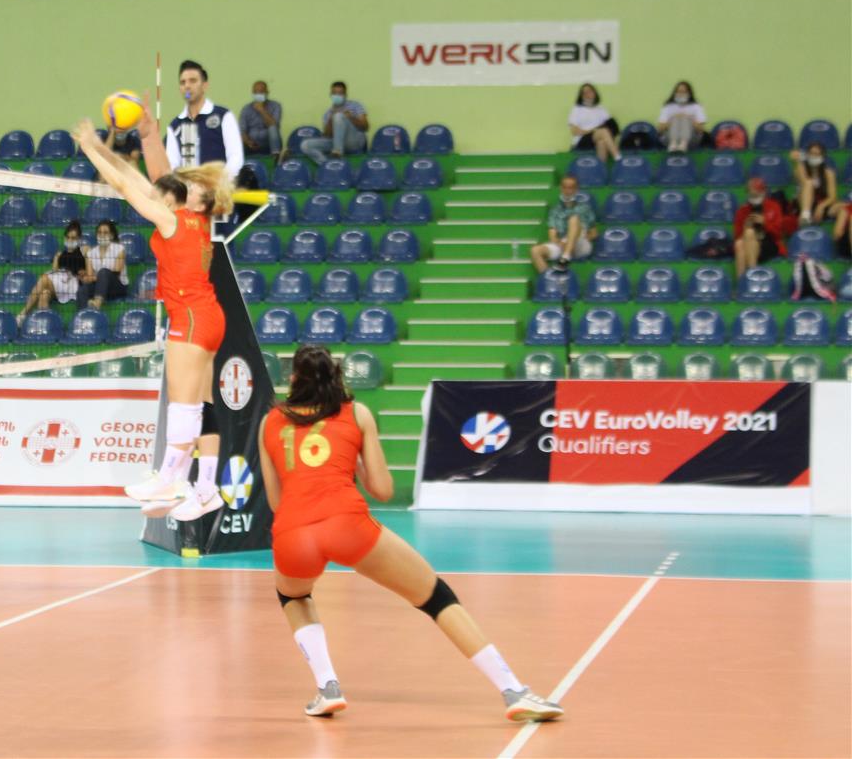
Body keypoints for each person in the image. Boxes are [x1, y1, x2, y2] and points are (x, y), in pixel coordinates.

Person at [259, 345, 564, 721]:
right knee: (436, 597)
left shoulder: (270, 421)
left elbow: (276, 501)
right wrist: (353, 460)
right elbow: (383, 490)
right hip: (346, 524)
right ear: (335, 376)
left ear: (292, 380)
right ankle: (513, 691)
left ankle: (327, 687)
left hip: (293, 532)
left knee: (293, 595)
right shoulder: (357, 413)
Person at [75, 103, 234, 522]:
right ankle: (203, 489)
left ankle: (171, 478)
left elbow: (125, 186)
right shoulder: (195, 222)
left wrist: (90, 149)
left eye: (191, 186)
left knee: (183, 405)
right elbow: (141, 179)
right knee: (201, 404)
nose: (183, 185)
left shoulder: (175, 220)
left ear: (198, 199)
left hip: (192, 318)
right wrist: (112, 144)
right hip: (208, 314)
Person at [164, 59, 244, 177]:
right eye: (182, 82)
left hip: (219, 186)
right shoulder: (174, 126)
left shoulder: (224, 116)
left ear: (205, 86)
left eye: (193, 81)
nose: (187, 86)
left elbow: (236, 158)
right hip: (187, 187)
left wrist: (217, 182)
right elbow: (172, 165)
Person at [16, 221, 88, 325]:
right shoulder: (59, 254)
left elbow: (88, 270)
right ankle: (44, 325)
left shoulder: (84, 250)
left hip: (74, 284)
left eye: (73, 238)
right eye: (68, 237)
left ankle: (23, 313)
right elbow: (55, 272)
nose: (70, 240)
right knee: (44, 294)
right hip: (61, 284)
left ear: (79, 239)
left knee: (44, 278)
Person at [530, 175, 596, 274]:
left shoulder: (585, 208)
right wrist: (560, 243)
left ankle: (566, 257)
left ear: (576, 189)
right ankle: (549, 279)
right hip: (562, 243)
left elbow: (594, 233)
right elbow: (552, 234)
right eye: (565, 187)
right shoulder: (555, 210)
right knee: (535, 250)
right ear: (561, 188)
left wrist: (579, 239)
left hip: (580, 244)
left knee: (574, 219)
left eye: (570, 188)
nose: (567, 191)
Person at [300, 81, 369, 164]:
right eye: (334, 93)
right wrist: (331, 119)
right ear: (330, 95)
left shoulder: (355, 105)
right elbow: (326, 136)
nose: (337, 95)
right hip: (336, 142)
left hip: (354, 142)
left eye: (340, 93)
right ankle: (328, 165)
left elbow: (365, 127)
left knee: (339, 116)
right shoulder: (328, 113)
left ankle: (337, 152)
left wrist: (351, 117)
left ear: (345, 95)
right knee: (305, 145)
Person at [733, 178, 789, 278]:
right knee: (739, 244)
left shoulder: (774, 206)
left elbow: (779, 234)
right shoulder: (742, 210)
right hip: (751, 244)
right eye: (751, 195)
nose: (753, 198)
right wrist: (745, 227)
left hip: (770, 242)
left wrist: (765, 223)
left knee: (749, 233)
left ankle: (751, 276)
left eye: (756, 195)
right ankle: (742, 281)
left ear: (763, 192)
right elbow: (737, 236)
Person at [77, 219, 129, 310]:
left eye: (105, 232)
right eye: (99, 232)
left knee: (103, 272)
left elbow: (116, 273)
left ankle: (97, 303)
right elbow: (90, 277)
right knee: (82, 290)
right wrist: (85, 278)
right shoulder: (91, 253)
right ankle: (85, 313)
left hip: (117, 288)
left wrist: (96, 277)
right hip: (99, 287)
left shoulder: (120, 249)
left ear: (111, 235)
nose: (102, 235)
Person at [568, 83, 620, 161]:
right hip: (581, 141)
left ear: (594, 93)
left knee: (602, 142)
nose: (587, 94)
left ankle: (601, 167)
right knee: (603, 131)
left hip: (596, 139)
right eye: (584, 93)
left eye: (589, 91)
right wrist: (593, 131)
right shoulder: (577, 109)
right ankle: (618, 159)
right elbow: (574, 132)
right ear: (581, 96)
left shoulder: (601, 109)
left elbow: (611, 127)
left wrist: (598, 132)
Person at [792, 142, 839, 225]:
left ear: (822, 157)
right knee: (809, 183)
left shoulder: (829, 173)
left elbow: (832, 197)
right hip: (802, 203)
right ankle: (805, 216)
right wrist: (799, 161)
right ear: (807, 155)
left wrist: (821, 206)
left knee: (839, 207)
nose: (813, 156)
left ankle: (809, 217)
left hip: (820, 203)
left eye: (817, 154)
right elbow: (804, 181)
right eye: (811, 153)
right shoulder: (801, 168)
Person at [656, 80, 707, 153]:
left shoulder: (696, 106)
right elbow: (660, 129)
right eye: (679, 92)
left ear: (689, 93)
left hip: (691, 140)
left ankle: (683, 144)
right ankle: (673, 143)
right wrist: (672, 120)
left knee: (685, 119)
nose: (681, 94)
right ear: (675, 93)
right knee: (675, 118)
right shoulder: (668, 106)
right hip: (668, 139)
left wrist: (689, 119)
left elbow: (701, 130)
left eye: (684, 92)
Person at [239, 80, 284, 162]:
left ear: (267, 92)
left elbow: (274, 125)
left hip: (269, 143)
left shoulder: (276, 106)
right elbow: (242, 131)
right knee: (237, 137)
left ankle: (276, 158)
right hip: (251, 144)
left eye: (261, 92)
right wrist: (248, 142)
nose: (258, 94)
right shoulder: (246, 109)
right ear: (252, 93)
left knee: (273, 128)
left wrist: (261, 110)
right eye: (255, 92)